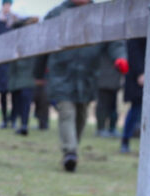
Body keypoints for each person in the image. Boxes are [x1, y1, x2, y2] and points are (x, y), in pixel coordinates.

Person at [34, 0, 128, 172]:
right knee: (67, 111)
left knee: (82, 114)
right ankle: (70, 151)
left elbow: (114, 41)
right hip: (62, 73)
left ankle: (72, 151)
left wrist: (120, 57)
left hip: (87, 75)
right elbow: (42, 43)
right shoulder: (56, 14)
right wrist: (38, 73)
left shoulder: (100, 14)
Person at [119, 38, 146, 154]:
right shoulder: (135, 36)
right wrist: (140, 73)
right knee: (136, 108)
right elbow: (134, 52)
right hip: (137, 77)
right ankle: (125, 141)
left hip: (144, 74)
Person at [95, 53, 122, 137]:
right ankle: (102, 129)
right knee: (104, 106)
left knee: (110, 106)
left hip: (112, 81)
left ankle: (110, 128)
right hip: (106, 81)